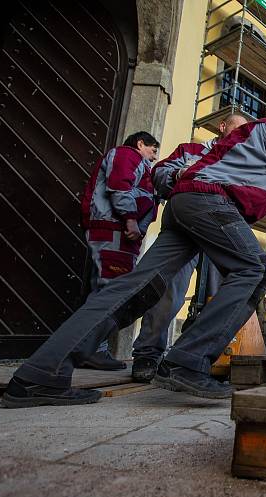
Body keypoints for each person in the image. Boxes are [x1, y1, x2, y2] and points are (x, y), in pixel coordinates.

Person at [1, 108, 266, 408]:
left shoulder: (265, 163)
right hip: (207, 202)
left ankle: (40, 373)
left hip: (190, 207)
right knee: (253, 269)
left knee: (137, 287)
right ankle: (187, 361)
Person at [130, 113, 248, 382]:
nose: (242, 134)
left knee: (219, 296)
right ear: (222, 127)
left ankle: (197, 359)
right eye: (237, 128)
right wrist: (178, 173)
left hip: (221, 232)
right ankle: (148, 352)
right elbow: (157, 174)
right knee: (168, 292)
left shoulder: (242, 164)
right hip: (186, 229)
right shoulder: (190, 150)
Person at [77, 131, 159, 370]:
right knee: (110, 290)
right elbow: (119, 185)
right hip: (115, 229)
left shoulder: (139, 164)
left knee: (108, 287)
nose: (154, 158)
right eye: (153, 151)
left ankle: (89, 348)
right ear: (140, 143)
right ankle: (91, 349)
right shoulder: (127, 154)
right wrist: (131, 219)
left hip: (120, 232)